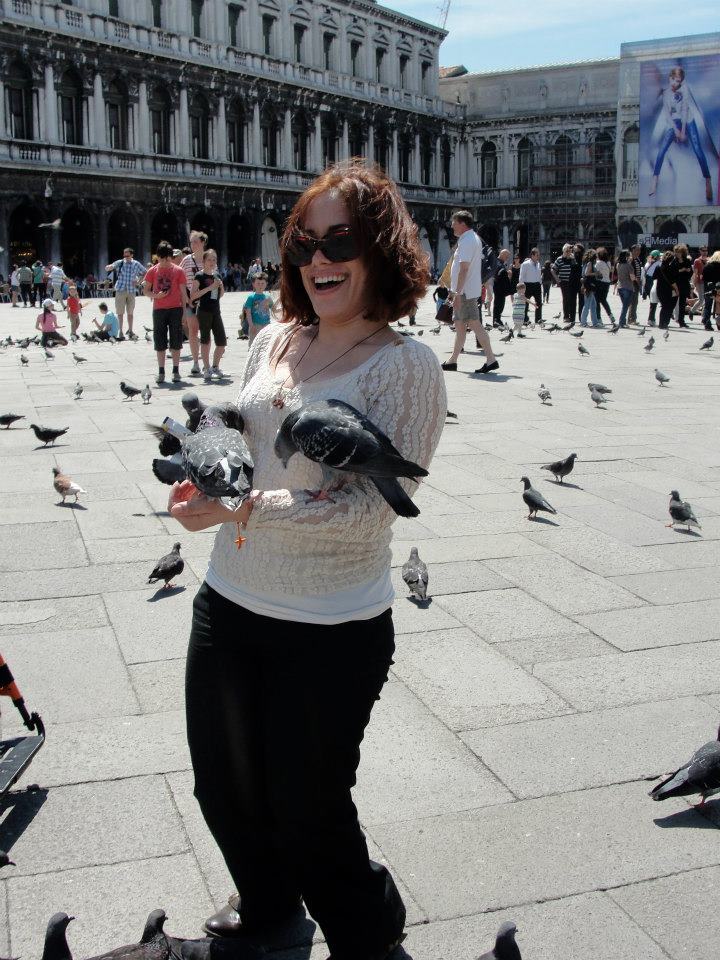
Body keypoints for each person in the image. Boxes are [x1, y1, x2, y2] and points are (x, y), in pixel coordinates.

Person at [167, 159, 445, 960]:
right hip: (229, 597)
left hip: (331, 624)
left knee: (309, 808)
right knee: (221, 784)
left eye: (342, 240)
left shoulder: (407, 366)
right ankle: (268, 906)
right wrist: (202, 477)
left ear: (381, 249)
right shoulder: (272, 337)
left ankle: (369, 932)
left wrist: (243, 507)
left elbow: (365, 515)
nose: (320, 259)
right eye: (304, 242)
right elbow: (247, 450)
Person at [441, 210, 498, 374]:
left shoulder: (467, 241)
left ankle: (491, 359)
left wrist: (457, 293)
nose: (452, 225)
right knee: (460, 326)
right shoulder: (472, 238)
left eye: (454, 222)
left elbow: (463, 269)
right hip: (465, 290)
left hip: (464, 292)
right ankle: (453, 360)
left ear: (462, 223)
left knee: (474, 324)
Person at [649, 67, 713, 203]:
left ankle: (708, 181)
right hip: (674, 122)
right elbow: (667, 115)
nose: (674, 83)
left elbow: (684, 110)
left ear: (681, 82)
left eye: (677, 81)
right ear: (669, 78)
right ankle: (654, 180)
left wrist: (683, 131)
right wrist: (676, 131)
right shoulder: (666, 93)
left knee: (697, 149)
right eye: (673, 79)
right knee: (662, 150)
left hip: (688, 120)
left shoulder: (684, 89)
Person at [143, 240, 189, 384]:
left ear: (171, 257)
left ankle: (176, 370)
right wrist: (156, 296)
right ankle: (161, 371)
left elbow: (183, 293)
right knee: (160, 341)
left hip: (175, 309)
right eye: (161, 259)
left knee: (176, 340)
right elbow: (145, 291)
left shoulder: (178, 271)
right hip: (159, 309)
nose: (164, 262)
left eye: (167, 259)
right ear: (158, 257)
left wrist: (185, 313)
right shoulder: (152, 271)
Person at [190, 249, 227, 381]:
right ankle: (206, 368)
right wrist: (209, 288)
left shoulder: (217, 275)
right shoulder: (199, 276)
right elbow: (193, 295)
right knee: (205, 340)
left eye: (214, 259)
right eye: (209, 260)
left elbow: (220, 295)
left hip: (216, 310)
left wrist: (220, 287)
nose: (212, 262)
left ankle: (215, 366)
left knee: (222, 341)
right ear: (204, 261)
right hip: (204, 311)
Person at [105, 247, 146, 340]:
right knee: (120, 313)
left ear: (132, 255)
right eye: (124, 255)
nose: (125, 256)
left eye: (127, 255)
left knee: (130, 313)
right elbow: (111, 266)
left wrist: (139, 282)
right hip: (120, 289)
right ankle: (121, 332)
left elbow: (145, 272)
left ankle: (130, 330)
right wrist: (108, 267)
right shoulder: (120, 262)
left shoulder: (136, 264)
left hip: (131, 290)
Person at [181, 232, 207, 376]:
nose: (193, 245)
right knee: (192, 331)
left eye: (196, 242)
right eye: (191, 242)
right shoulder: (186, 260)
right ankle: (196, 362)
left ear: (203, 242)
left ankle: (206, 362)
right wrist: (185, 298)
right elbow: (180, 280)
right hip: (190, 302)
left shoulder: (209, 259)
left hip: (206, 302)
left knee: (205, 332)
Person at [243, 272, 278, 345]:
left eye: (262, 283)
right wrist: (251, 325)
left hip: (266, 325)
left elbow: (274, 310)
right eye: (258, 283)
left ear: (266, 284)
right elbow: (248, 312)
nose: (260, 286)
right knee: (253, 344)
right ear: (253, 284)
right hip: (255, 325)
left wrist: (279, 301)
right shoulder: (251, 297)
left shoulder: (268, 297)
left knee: (266, 344)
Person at [552, 243, 580, 324]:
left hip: (572, 281)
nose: (568, 252)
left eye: (570, 250)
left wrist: (573, 259)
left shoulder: (573, 258)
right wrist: (557, 279)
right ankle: (566, 316)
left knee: (572, 299)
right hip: (563, 281)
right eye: (567, 251)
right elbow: (553, 270)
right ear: (563, 251)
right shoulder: (559, 259)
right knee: (566, 298)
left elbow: (576, 268)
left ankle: (572, 316)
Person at [655, 249, 680, 330]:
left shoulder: (658, 266)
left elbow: (653, 277)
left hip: (659, 289)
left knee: (664, 306)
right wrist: (677, 290)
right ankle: (665, 323)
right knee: (668, 307)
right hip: (668, 290)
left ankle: (661, 323)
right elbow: (673, 281)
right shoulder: (670, 268)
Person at [518, 247, 542, 326]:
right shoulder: (525, 264)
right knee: (526, 303)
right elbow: (521, 276)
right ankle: (525, 319)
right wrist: (521, 287)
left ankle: (538, 319)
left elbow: (539, 275)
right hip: (527, 285)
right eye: (537, 255)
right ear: (532, 255)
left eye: (538, 255)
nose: (538, 256)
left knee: (539, 302)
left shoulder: (538, 264)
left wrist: (540, 283)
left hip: (537, 285)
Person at [579, 249, 602, 328]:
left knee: (593, 305)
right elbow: (586, 273)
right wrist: (596, 273)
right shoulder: (590, 263)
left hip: (588, 286)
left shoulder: (587, 263)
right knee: (588, 304)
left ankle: (594, 322)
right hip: (589, 286)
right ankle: (583, 322)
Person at [491, 249, 513, 328]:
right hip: (498, 287)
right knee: (498, 304)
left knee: (501, 304)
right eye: (506, 256)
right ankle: (496, 320)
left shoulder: (501, 262)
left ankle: (497, 319)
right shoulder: (497, 262)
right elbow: (497, 272)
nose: (507, 258)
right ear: (502, 254)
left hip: (501, 287)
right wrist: (506, 272)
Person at [593, 247, 615, 324]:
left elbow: (595, 271)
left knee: (597, 301)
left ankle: (599, 318)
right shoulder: (608, 263)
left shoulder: (598, 263)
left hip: (600, 283)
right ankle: (610, 315)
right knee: (604, 300)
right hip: (607, 283)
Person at [614, 249, 635, 328]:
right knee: (626, 305)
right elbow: (632, 278)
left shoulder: (618, 264)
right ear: (626, 257)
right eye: (629, 255)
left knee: (624, 305)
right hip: (628, 287)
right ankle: (622, 322)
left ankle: (623, 321)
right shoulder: (629, 265)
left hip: (620, 286)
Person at [673, 243, 693, 327]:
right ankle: (671, 316)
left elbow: (690, 272)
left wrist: (688, 271)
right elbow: (672, 272)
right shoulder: (674, 261)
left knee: (682, 304)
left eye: (679, 252)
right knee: (673, 302)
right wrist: (681, 270)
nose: (677, 253)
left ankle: (681, 321)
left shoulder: (687, 260)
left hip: (684, 283)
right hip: (675, 284)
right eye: (676, 252)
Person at [701, 251, 720, 331]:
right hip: (718, 287)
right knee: (718, 305)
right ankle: (718, 322)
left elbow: (703, 278)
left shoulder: (707, 266)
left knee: (707, 306)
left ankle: (707, 323)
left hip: (708, 288)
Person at [625, 244, 643, 325]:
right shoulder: (631, 260)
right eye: (636, 250)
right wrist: (635, 279)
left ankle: (632, 318)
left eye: (639, 250)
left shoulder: (637, 259)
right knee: (633, 301)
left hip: (637, 283)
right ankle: (631, 319)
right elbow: (629, 272)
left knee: (635, 302)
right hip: (632, 283)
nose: (638, 252)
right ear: (632, 251)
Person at [691, 245, 708, 316]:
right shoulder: (697, 261)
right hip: (700, 282)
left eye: (706, 251)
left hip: (708, 282)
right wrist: (694, 283)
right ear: (700, 251)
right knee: (701, 300)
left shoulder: (709, 260)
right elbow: (695, 273)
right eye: (703, 251)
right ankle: (692, 311)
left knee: (707, 300)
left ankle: (703, 317)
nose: (705, 252)